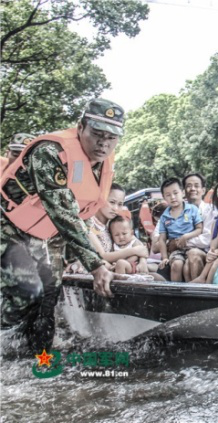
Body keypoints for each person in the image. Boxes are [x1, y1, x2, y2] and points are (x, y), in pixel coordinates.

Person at [1, 98, 124, 351]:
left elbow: (85, 210)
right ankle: (5, 346)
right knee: (27, 292)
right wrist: (96, 264)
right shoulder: (49, 151)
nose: (103, 143)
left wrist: (75, 256)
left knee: (49, 295)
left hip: (45, 235)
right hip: (8, 226)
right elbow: (63, 210)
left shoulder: (103, 163)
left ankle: (40, 357)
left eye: (111, 138)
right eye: (97, 134)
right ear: (81, 127)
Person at [157, 177, 203, 281]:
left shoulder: (192, 209)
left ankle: (193, 292)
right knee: (176, 265)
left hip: (193, 247)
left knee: (190, 266)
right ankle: (175, 294)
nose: (172, 197)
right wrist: (164, 257)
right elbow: (162, 239)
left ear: (182, 193)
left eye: (175, 193)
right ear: (164, 197)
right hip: (176, 250)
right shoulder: (164, 217)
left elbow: (199, 229)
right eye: (168, 195)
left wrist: (186, 236)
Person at [181, 172, 217, 281]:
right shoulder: (177, 211)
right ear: (183, 191)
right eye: (188, 186)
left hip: (205, 253)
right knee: (184, 265)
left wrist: (181, 242)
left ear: (203, 190)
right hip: (180, 254)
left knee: (193, 255)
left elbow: (207, 239)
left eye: (196, 186)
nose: (193, 189)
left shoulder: (210, 210)